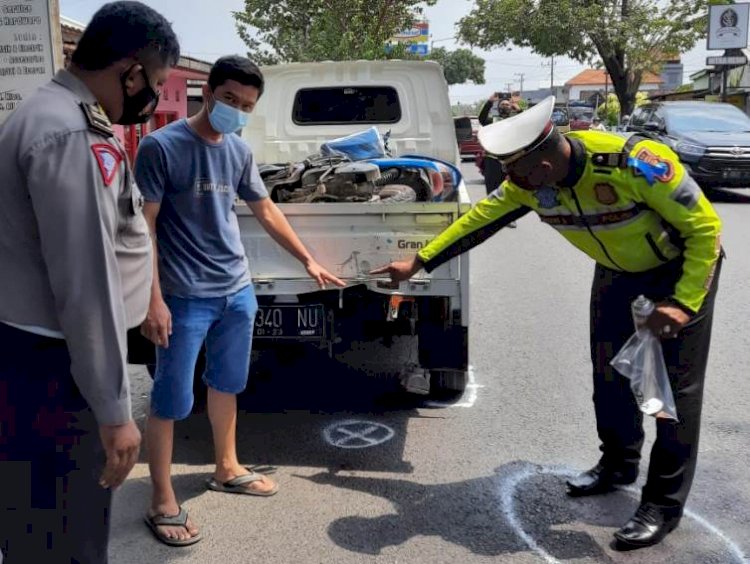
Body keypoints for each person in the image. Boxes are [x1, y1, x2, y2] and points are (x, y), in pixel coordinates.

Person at [372, 96, 723, 550]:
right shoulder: (528, 181)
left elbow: (705, 230)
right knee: (610, 374)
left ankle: (662, 505)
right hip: (618, 274)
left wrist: (683, 303)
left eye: (513, 173)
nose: (509, 184)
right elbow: (480, 220)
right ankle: (617, 465)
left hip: (680, 271)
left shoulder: (632, 163)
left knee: (672, 396)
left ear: (542, 161)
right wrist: (418, 261)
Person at [135, 55, 345, 547]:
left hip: (236, 290)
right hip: (184, 297)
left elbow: (264, 208)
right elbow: (142, 226)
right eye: (230, 99)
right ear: (207, 92)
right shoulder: (160, 147)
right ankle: (161, 497)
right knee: (171, 398)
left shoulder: (237, 150)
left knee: (227, 383)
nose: (236, 110)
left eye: (246, 105)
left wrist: (307, 259)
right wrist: (152, 300)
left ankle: (226, 467)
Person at [0, 2, 179, 562]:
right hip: (54, 372)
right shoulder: (72, 135)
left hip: (37, 360)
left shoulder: (50, 114)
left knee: (34, 527)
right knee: (66, 535)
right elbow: (87, 285)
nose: (150, 101)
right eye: (154, 84)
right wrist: (114, 412)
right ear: (129, 70)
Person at [478, 94, 521, 227]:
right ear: (498, 107)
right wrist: (489, 102)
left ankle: (509, 218)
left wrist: (519, 110)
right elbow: (481, 118)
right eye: (502, 105)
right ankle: (491, 217)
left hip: (510, 161)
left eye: (507, 105)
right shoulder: (492, 121)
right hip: (493, 160)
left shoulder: (516, 120)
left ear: (511, 107)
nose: (505, 107)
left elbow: (528, 122)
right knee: (492, 190)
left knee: (510, 191)